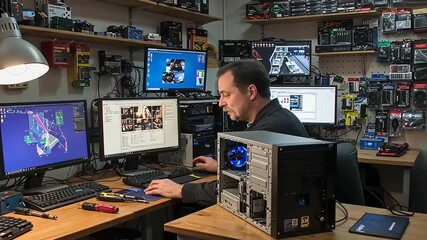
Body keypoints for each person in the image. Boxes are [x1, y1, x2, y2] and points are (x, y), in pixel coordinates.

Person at [144, 59, 309, 206]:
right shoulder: (277, 117)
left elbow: (237, 190)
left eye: (226, 95)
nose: (221, 103)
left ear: (251, 92)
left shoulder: (268, 131)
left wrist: (180, 190)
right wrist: (220, 167)